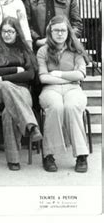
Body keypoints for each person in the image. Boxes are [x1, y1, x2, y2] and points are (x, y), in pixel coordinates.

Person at [0, 17, 43, 171]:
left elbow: (30, 75)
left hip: (21, 91)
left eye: (11, 31)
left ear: (17, 33)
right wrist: (15, 70)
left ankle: (14, 159)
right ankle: (31, 125)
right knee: (5, 86)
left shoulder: (25, 50)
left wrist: (2, 77)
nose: (7, 34)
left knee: (8, 113)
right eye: (4, 31)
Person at [37, 16, 89, 173]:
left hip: (73, 89)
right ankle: (49, 155)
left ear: (68, 31)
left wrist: (58, 73)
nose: (60, 33)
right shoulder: (43, 51)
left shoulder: (76, 50)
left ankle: (81, 155)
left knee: (71, 106)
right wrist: (67, 77)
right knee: (56, 106)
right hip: (50, 90)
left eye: (63, 30)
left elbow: (81, 74)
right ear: (50, 32)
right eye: (56, 30)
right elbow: (43, 77)